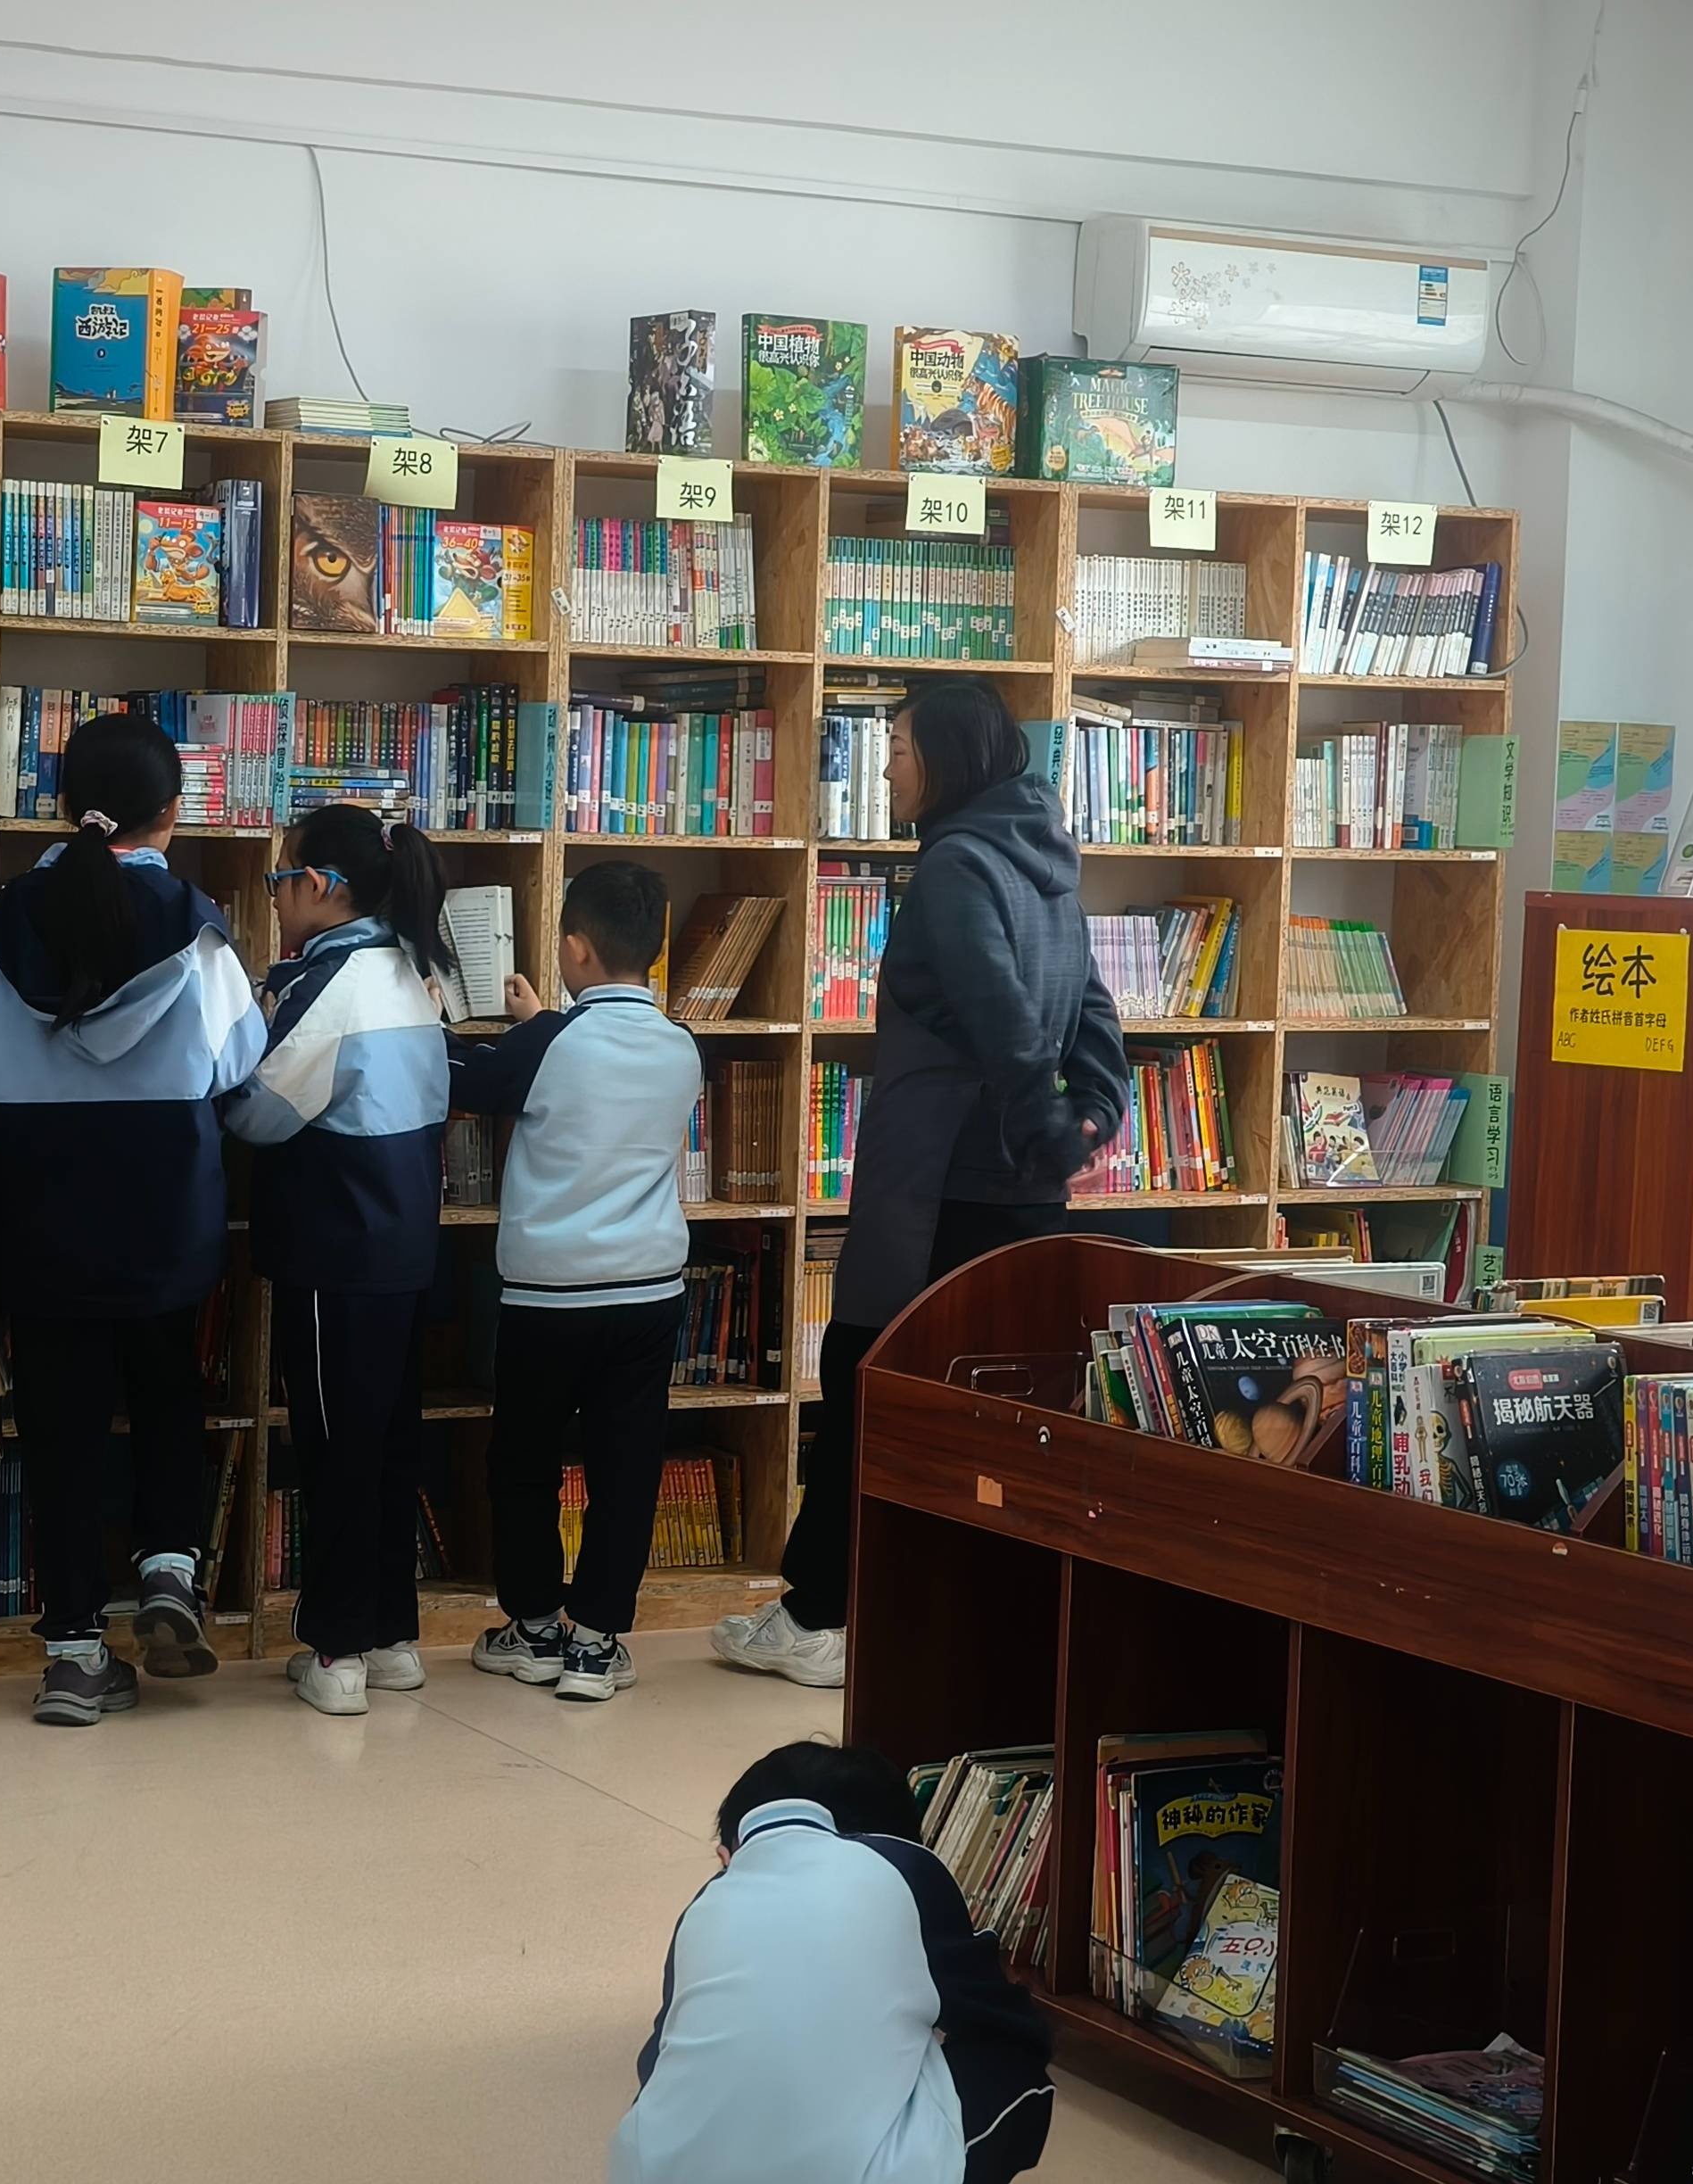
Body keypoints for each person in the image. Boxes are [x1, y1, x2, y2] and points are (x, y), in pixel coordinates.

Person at [714, 678, 1123, 1689]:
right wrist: (1091, 1118)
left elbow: (999, 1012)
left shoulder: (954, 865)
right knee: (990, 1404)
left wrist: (1048, 1128)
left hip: (936, 1188)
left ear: (945, 756)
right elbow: (1094, 1011)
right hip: (1023, 1197)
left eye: (897, 746)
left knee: (867, 1382)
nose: (888, 766)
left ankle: (818, 1617)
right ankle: (928, 1611)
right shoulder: (1046, 861)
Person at [0, 713, 266, 1727]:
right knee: (167, 1394)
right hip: (167, 1212)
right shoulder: (197, 928)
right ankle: (168, 1570)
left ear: (66, 805)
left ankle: (74, 1654)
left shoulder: (3, 927)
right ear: (172, 812)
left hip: (42, 1218)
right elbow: (239, 1064)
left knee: (62, 1432)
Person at [223, 803, 453, 1717]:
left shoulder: (332, 982)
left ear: (319, 886)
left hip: (336, 1252)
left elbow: (259, 1112)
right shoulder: (413, 969)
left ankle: (338, 1650)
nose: (275, 900)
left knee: (335, 1452)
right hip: (402, 1247)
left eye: (280, 882)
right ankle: (391, 1637)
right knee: (388, 1444)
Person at [453, 860, 702, 1703]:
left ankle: (532, 1627)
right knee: (626, 1469)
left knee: (524, 1462)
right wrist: (543, 1023)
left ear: (574, 949)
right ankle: (595, 1643)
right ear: (654, 950)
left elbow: (466, 1080)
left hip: (547, 1298)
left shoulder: (546, 1043)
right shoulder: (681, 1045)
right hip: (647, 1292)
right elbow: (594, 1073)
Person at [609, 1740, 1054, 2184]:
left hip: (649, 2172)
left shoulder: (707, 1900)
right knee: (1010, 2058)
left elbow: (660, 2056)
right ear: (901, 1838)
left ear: (728, 1855)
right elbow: (1001, 2020)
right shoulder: (905, 1869)